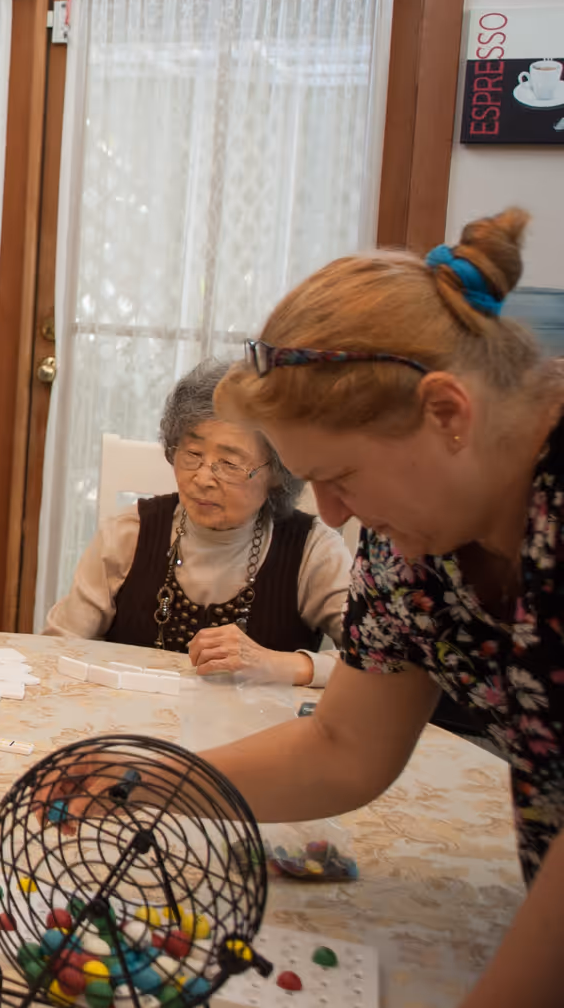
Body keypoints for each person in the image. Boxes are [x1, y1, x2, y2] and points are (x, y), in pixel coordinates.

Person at [190, 208, 564, 1005]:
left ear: (448, 413)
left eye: (343, 476)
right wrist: (165, 781)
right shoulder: (414, 542)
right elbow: (343, 745)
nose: (329, 513)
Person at [43, 360, 352, 685]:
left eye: (229, 463)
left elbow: (381, 666)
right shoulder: (128, 533)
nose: (203, 478)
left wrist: (279, 665)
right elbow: (59, 647)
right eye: (192, 454)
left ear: (278, 471)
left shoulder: (313, 551)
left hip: (259, 731)